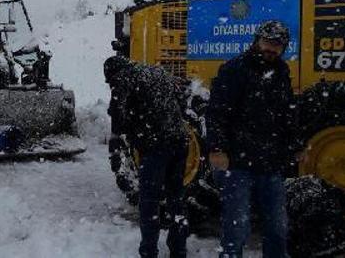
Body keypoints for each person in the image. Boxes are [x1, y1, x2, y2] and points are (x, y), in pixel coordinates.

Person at [205, 20, 297, 258]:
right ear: (257, 41)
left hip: (270, 163)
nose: (271, 48)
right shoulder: (234, 69)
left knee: (277, 227)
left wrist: (294, 145)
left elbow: (287, 113)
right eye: (267, 42)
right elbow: (217, 112)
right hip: (237, 164)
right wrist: (216, 149)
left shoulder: (281, 72)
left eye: (277, 45)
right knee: (237, 228)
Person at [104, 55, 190, 258]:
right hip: (179, 142)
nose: (110, 85)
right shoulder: (158, 71)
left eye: (109, 81)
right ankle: (179, 250)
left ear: (112, 74)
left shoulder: (123, 78)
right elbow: (181, 100)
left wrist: (118, 140)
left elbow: (117, 114)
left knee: (149, 201)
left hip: (155, 147)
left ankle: (149, 251)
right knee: (177, 199)